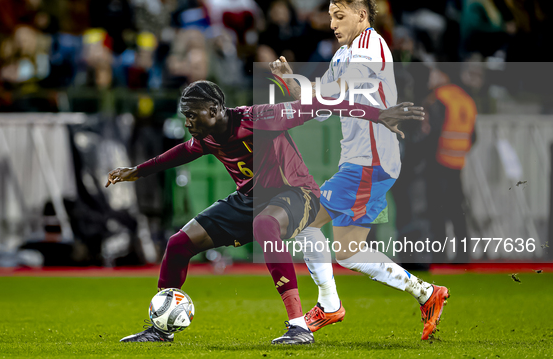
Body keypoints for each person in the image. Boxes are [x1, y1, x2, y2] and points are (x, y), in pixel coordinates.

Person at [106, 80, 423, 344]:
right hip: (248, 200)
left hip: (296, 194)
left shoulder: (260, 118)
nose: (188, 122)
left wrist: (377, 114)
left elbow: (321, 105)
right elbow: (179, 154)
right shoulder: (206, 137)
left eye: (192, 115)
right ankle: (162, 328)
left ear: (215, 110)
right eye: (185, 115)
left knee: (265, 225)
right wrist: (137, 170)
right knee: (179, 243)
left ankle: (298, 326)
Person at [270, 0, 450, 341]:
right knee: (349, 252)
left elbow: (338, 92)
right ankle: (427, 294)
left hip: (370, 161)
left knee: (303, 221)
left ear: (362, 15)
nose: (333, 24)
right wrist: (293, 88)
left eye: (340, 16)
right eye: (330, 17)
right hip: (361, 162)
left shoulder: (370, 45)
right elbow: (322, 109)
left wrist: (301, 87)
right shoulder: (342, 55)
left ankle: (330, 306)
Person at [422, 64, 477, 263]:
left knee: (436, 210)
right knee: (457, 210)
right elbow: (474, 136)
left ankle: (440, 254)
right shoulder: (466, 99)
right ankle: (463, 253)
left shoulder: (438, 97)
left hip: (438, 161)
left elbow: (433, 131)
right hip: (458, 161)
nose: (431, 78)